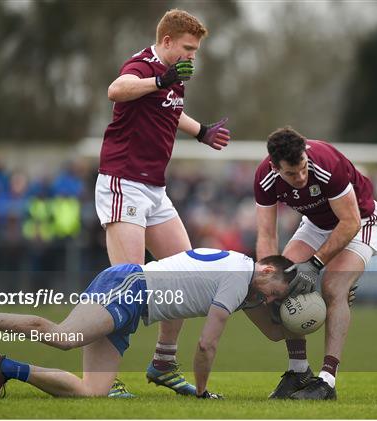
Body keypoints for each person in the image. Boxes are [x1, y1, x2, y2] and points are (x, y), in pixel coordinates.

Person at [0, 249, 294, 399]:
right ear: (266, 270)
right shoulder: (238, 275)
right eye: (276, 293)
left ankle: (4, 367)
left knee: (92, 391)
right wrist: (202, 393)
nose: (271, 301)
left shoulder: (246, 278)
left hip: (136, 309)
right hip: (130, 287)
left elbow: (275, 333)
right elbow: (206, 344)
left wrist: (302, 316)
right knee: (65, 337)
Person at [95, 9, 230, 397]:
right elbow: (117, 90)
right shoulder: (144, 65)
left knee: (188, 278)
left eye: (196, 50)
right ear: (167, 41)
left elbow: (169, 108)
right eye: (187, 48)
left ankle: (163, 364)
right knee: (128, 285)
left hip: (154, 189)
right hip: (124, 183)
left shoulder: (174, 73)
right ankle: (103, 379)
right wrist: (159, 78)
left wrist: (201, 131)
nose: (192, 56)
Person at [251, 126, 377, 400]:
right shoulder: (264, 178)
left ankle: (327, 382)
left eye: (302, 168)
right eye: (291, 173)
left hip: (360, 222)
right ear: (275, 167)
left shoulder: (326, 164)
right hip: (317, 225)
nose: (300, 177)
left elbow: (350, 223)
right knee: (283, 277)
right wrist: (269, 278)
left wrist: (314, 265)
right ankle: (299, 371)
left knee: (334, 287)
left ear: (305, 156)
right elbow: (266, 234)